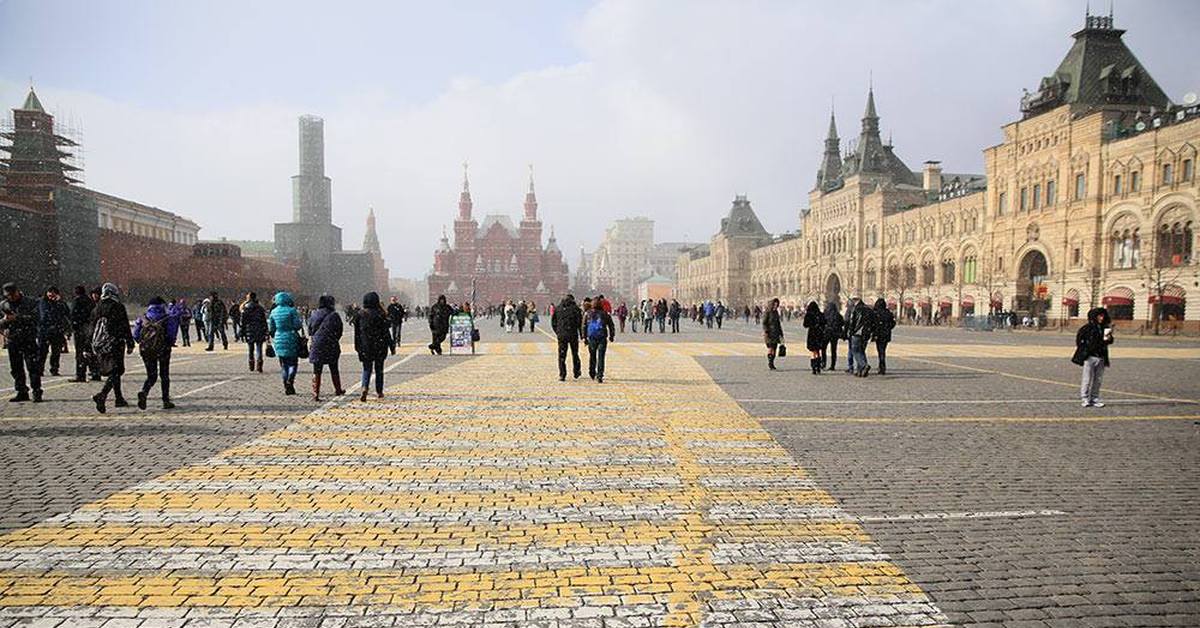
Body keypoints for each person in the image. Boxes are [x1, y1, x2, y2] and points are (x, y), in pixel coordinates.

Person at [90, 283, 135, 413]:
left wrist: (90, 345)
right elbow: (125, 326)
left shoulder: (97, 307)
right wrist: (130, 342)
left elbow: (92, 327)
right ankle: (102, 395)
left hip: (101, 344)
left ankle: (119, 398)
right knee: (117, 370)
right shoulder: (117, 306)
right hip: (115, 342)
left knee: (113, 370)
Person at [132, 296, 179, 410]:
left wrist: (145, 342)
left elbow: (136, 335)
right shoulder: (167, 318)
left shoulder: (143, 318)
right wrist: (168, 343)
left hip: (146, 350)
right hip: (163, 350)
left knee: (151, 375)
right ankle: (165, 400)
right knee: (164, 375)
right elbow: (172, 335)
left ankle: (144, 391)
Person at [2, 283, 43, 402]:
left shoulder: (30, 302)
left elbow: (36, 318)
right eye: (8, 295)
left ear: (17, 292)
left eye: (12, 295)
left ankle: (37, 391)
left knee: (32, 366)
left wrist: (18, 318)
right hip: (13, 340)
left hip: (28, 338)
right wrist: (4, 321)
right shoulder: (4, 305)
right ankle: (21, 391)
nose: (10, 297)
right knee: (16, 367)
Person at [355, 292, 394, 401]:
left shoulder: (360, 314)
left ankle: (364, 387)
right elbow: (386, 332)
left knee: (366, 368)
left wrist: (358, 347)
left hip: (365, 346)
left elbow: (357, 333)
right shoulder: (381, 314)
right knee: (379, 370)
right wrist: (391, 346)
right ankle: (379, 391)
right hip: (379, 346)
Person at [308, 295, 346, 402]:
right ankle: (338, 389)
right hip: (331, 344)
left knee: (317, 370)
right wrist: (333, 339)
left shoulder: (314, 314)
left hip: (317, 345)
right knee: (334, 368)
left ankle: (316, 393)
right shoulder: (334, 315)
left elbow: (310, 329)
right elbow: (339, 330)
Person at [1075, 307, 1114, 408]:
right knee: (1087, 378)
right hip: (1090, 357)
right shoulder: (1087, 328)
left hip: (1101, 356)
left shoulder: (1105, 328)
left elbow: (1108, 341)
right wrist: (1085, 350)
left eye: (1103, 315)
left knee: (1098, 379)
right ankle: (1084, 398)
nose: (1102, 317)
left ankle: (1094, 398)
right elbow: (1079, 340)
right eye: (1099, 315)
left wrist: (1109, 337)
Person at [267, 291, 304, 395]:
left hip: (278, 339)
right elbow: (297, 325)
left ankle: (285, 383)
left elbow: (271, 328)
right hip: (291, 338)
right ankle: (290, 381)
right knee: (293, 363)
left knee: (284, 365)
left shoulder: (273, 312)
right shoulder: (292, 311)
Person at [36, 286, 70, 377]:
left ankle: (54, 369)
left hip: (57, 331)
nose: (51, 294)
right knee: (42, 352)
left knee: (56, 352)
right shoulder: (42, 302)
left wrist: (59, 302)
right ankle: (39, 369)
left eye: (54, 292)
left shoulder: (60, 303)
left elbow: (66, 312)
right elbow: (45, 315)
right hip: (44, 331)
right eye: (50, 292)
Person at [551, 294, 583, 381]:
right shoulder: (576, 309)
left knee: (562, 355)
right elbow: (579, 323)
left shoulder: (558, 308)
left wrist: (558, 332)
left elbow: (553, 322)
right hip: (573, 334)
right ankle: (576, 371)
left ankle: (562, 374)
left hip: (562, 335)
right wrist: (581, 334)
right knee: (575, 353)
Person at [69, 285, 98, 382]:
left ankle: (80, 374)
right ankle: (95, 372)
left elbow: (73, 315)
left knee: (80, 353)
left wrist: (72, 327)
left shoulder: (76, 301)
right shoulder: (90, 302)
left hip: (79, 329)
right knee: (90, 351)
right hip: (89, 329)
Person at [584, 299, 616, 383]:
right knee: (601, 357)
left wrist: (584, 337)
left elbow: (584, 325)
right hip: (602, 337)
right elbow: (611, 325)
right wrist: (612, 336)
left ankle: (592, 372)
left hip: (592, 337)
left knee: (592, 355)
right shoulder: (605, 314)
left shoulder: (588, 313)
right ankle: (600, 375)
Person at [846, 298, 874, 377]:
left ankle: (864, 365)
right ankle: (860, 371)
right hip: (866, 334)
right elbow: (873, 322)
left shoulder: (856, 309)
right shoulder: (869, 310)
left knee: (855, 351)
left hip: (857, 333)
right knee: (861, 351)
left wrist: (850, 332)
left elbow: (852, 322)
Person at [240, 292, 268, 373]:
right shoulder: (260, 308)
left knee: (250, 348)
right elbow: (264, 321)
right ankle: (259, 364)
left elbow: (243, 322)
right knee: (259, 348)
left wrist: (242, 331)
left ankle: (251, 363)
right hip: (259, 330)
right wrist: (266, 330)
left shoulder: (245, 308)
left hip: (249, 330)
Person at [872, 298, 896, 375]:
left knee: (880, 351)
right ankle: (882, 366)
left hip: (878, 334)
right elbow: (893, 323)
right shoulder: (888, 313)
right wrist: (888, 328)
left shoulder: (876, 313)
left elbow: (874, 325)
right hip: (886, 334)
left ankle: (881, 367)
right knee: (883, 351)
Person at [803, 301, 825, 375]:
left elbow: (805, 325)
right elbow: (825, 323)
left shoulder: (809, 315)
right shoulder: (820, 314)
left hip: (812, 334)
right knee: (818, 351)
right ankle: (818, 367)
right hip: (819, 334)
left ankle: (813, 368)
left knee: (813, 351)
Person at [822, 302, 844, 371]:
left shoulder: (825, 314)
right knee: (833, 350)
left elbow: (822, 323)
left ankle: (823, 363)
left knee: (823, 348)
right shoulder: (838, 315)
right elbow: (842, 323)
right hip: (835, 335)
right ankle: (832, 365)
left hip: (827, 333)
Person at [762, 298, 783, 371]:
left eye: (777, 305)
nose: (776, 306)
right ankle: (770, 362)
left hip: (776, 332)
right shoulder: (768, 312)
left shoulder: (776, 312)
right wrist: (766, 331)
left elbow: (778, 323)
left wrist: (781, 333)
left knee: (774, 348)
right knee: (770, 348)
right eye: (774, 304)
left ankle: (772, 362)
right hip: (769, 333)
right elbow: (764, 322)